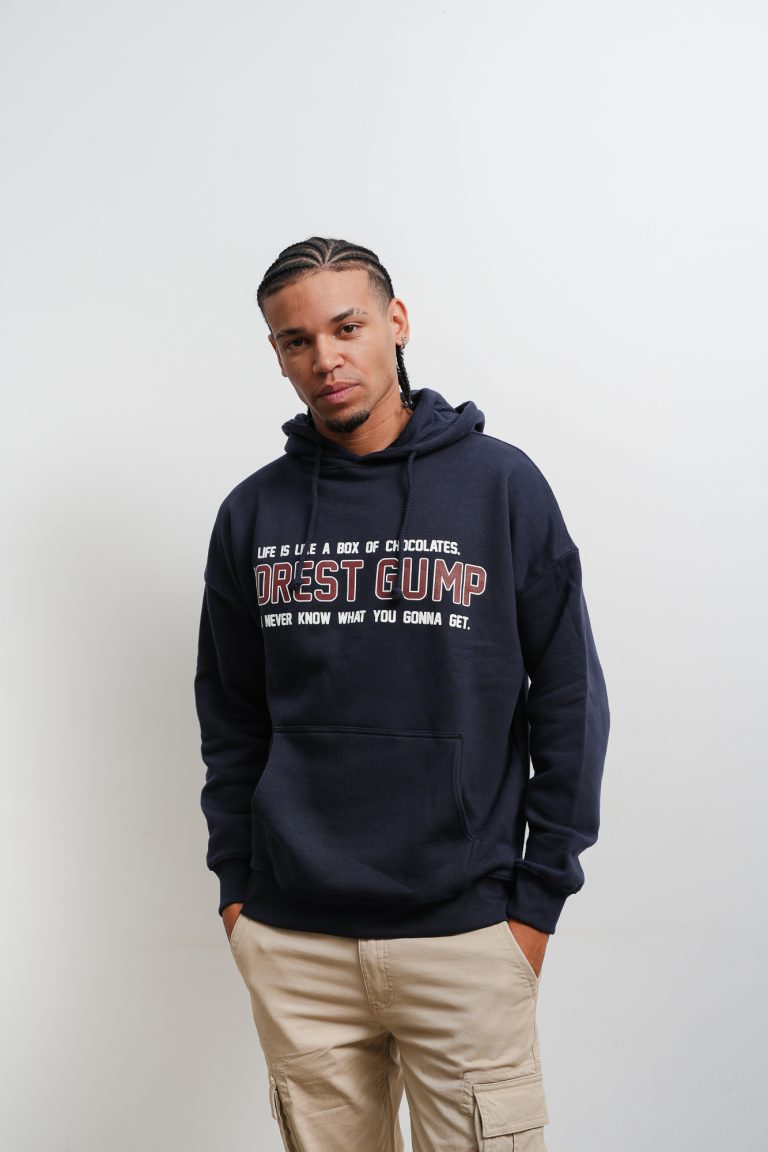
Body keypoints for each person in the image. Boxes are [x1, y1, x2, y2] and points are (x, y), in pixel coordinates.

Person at [194, 236, 610, 1152]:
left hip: (466, 935)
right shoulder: (252, 513)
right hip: (295, 941)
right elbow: (231, 717)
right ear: (277, 354)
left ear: (397, 323)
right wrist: (238, 893)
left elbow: (569, 698)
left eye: (346, 328)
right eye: (296, 340)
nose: (325, 358)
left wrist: (535, 905)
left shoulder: (500, 485)